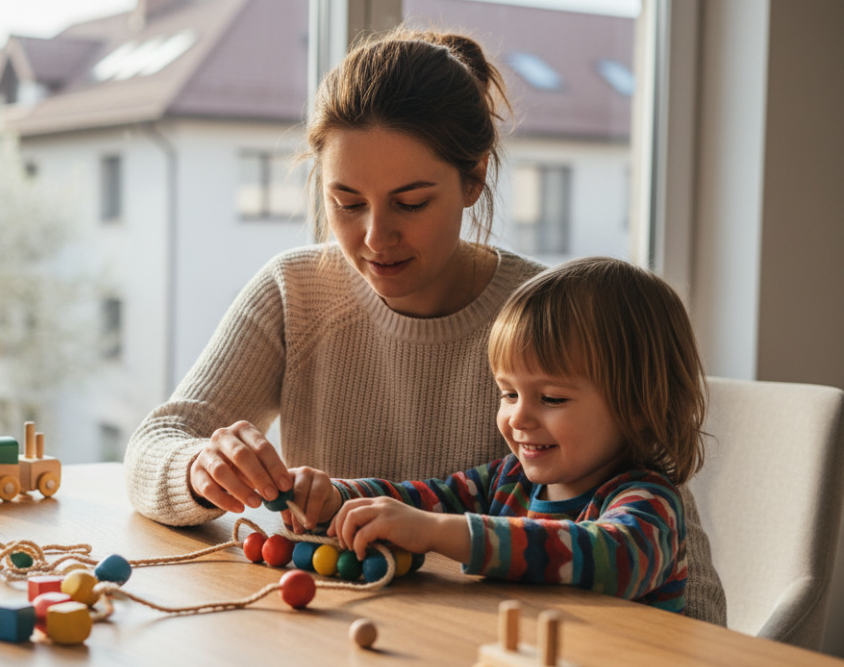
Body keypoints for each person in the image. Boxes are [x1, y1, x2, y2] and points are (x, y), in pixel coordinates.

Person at [123, 27, 726, 623]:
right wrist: (204, 470)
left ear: (474, 178)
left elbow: (688, 590)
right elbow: (156, 444)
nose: (375, 237)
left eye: (410, 203)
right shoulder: (295, 292)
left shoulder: (549, 325)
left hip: (505, 656)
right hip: (344, 641)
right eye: (346, 203)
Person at [296, 258, 701, 611]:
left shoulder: (651, 503)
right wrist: (336, 498)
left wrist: (437, 532)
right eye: (508, 394)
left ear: (639, 406)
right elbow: (420, 501)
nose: (518, 417)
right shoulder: (508, 481)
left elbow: (613, 559)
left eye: (552, 398)